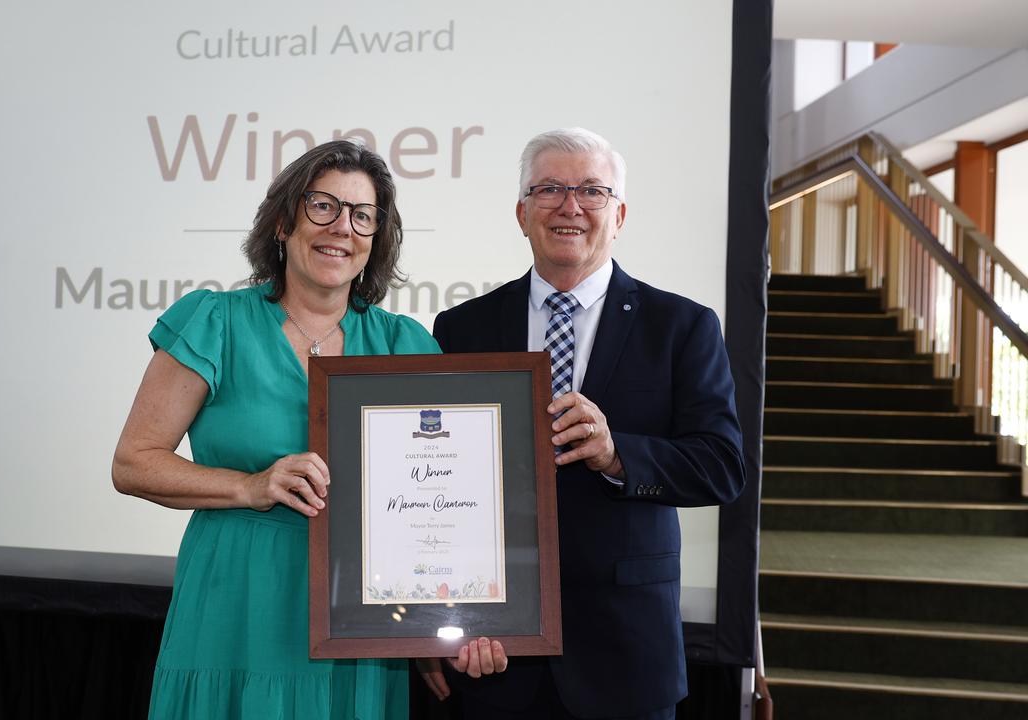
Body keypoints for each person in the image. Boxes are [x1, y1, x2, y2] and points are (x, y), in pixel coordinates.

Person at [112, 140, 500, 720]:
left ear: (376, 240)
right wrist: (250, 486)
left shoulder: (405, 343)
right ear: (282, 221)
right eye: (322, 206)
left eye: (361, 215)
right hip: (238, 597)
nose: (340, 227)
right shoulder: (214, 321)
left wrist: (438, 623)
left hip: (360, 614)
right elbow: (134, 461)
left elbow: (441, 499)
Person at [419, 128, 746, 720]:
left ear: (618, 214)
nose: (570, 206)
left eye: (592, 191)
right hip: (495, 654)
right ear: (522, 213)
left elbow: (722, 468)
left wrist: (616, 454)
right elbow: (439, 486)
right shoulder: (462, 327)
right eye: (549, 189)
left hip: (626, 657)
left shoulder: (682, 326)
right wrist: (435, 625)